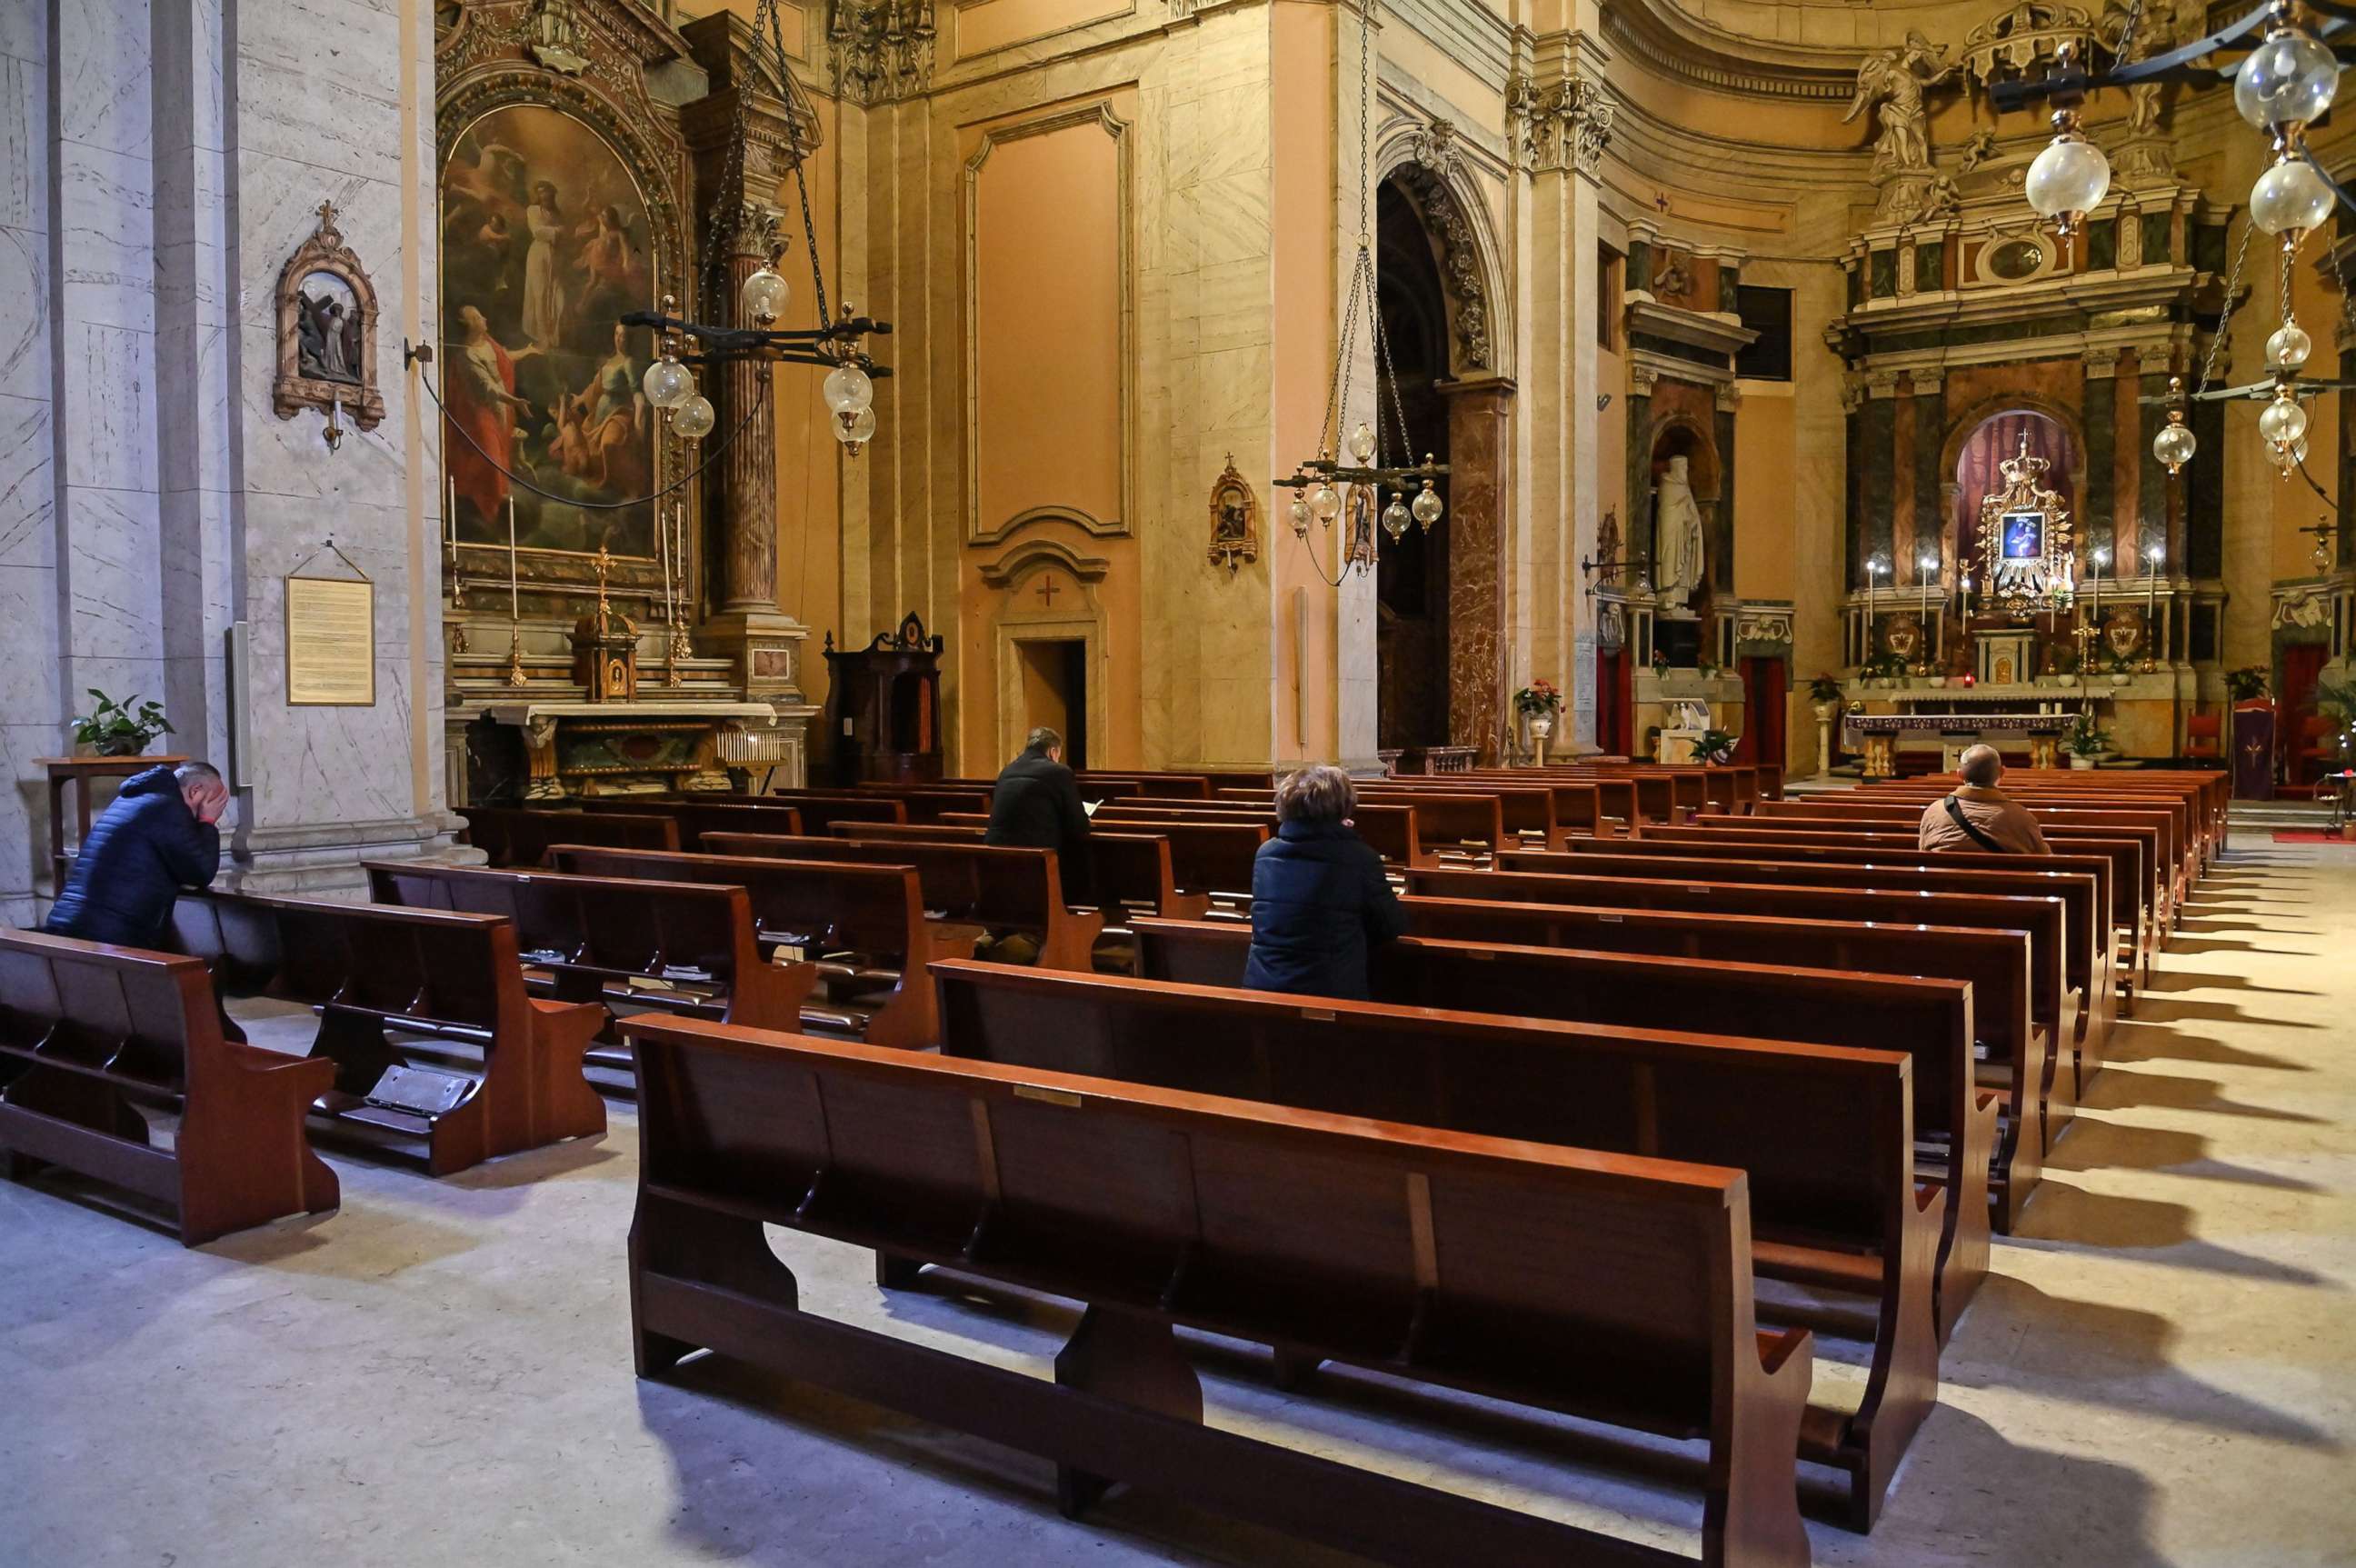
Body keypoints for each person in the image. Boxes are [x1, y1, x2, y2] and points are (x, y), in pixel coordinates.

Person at [1242, 764, 1408, 1001]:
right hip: (1330, 995)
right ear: (1342, 808)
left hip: (1265, 989)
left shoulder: (1266, 854)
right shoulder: (1358, 857)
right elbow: (1392, 925)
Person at [43, 762, 230, 948]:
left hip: (70, 922)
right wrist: (207, 821)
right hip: (106, 936)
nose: (217, 809)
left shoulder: (132, 799)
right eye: (214, 801)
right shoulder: (168, 809)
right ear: (195, 791)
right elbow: (201, 872)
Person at [984, 726, 1093, 895]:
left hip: (998, 853)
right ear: (1053, 751)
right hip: (1037, 858)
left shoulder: (1006, 771)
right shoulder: (1059, 772)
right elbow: (1079, 825)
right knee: (1083, 854)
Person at [1920, 744, 2052, 854]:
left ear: (1960, 774)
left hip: (1945, 885)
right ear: (2002, 772)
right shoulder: (2022, 816)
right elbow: (2043, 858)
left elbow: (1923, 851)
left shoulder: (1935, 811)